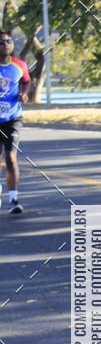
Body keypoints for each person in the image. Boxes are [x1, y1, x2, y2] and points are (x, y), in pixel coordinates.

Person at [0, 30, 31, 214]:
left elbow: (27, 81)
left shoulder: (19, 65)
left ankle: (13, 200)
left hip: (12, 118)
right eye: (1, 42)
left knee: (11, 157)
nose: (5, 44)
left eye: (8, 41)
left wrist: (24, 93)